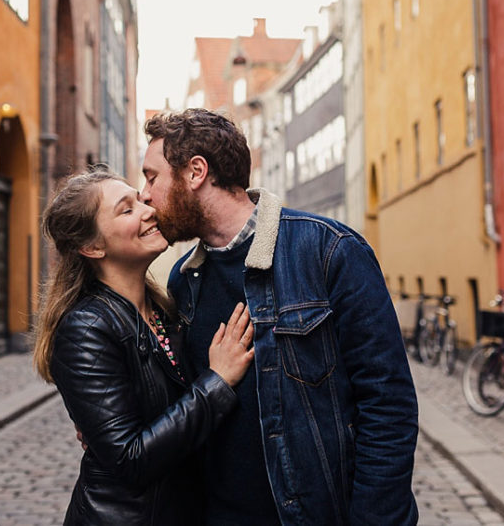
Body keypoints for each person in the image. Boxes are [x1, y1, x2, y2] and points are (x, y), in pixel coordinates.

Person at [140, 108, 420, 526]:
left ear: (196, 172)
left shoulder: (329, 252)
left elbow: (388, 405)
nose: (144, 194)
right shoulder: (185, 281)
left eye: (151, 176)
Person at [34, 165, 256, 525]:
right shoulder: (86, 328)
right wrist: (218, 381)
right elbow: (130, 459)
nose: (149, 209)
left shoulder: (164, 308)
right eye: (127, 209)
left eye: (140, 199)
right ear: (92, 246)